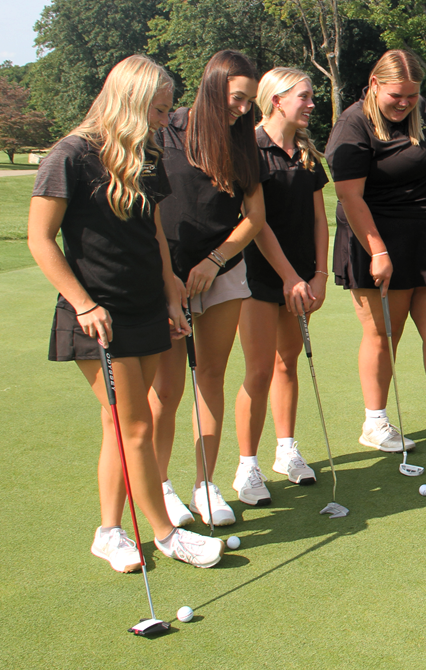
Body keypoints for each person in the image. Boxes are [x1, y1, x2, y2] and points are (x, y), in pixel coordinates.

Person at [27, 55, 224, 571]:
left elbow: (154, 234)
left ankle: (109, 531)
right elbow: (40, 239)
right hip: (96, 314)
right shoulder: (69, 155)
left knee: (118, 425)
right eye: (158, 110)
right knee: (133, 423)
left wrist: (171, 293)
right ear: (131, 101)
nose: (165, 120)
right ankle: (165, 534)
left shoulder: (148, 155)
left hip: (145, 308)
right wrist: (84, 302)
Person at [326, 50, 426, 453]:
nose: (404, 103)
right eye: (396, 96)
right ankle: (375, 422)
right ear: (374, 85)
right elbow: (350, 197)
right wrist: (377, 251)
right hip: (375, 235)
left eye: (411, 95)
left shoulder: (421, 111)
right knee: (384, 333)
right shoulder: (353, 125)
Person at [149, 50, 265, 523]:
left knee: (211, 376)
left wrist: (215, 261)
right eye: (237, 98)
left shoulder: (243, 142)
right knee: (167, 389)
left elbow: (254, 218)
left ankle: (204, 486)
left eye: (249, 102)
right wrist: (170, 276)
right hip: (165, 272)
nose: (243, 109)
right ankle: (160, 489)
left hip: (220, 269)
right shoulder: (165, 130)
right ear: (213, 86)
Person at [233, 67, 330, 505]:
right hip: (255, 277)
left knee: (286, 363)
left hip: (299, 279)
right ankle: (247, 467)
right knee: (257, 371)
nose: (312, 104)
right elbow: (257, 223)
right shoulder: (249, 148)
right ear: (277, 100)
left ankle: (286, 450)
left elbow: (319, 221)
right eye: (305, 97)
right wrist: (289, 276)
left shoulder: (307, 153)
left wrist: (318, 276)